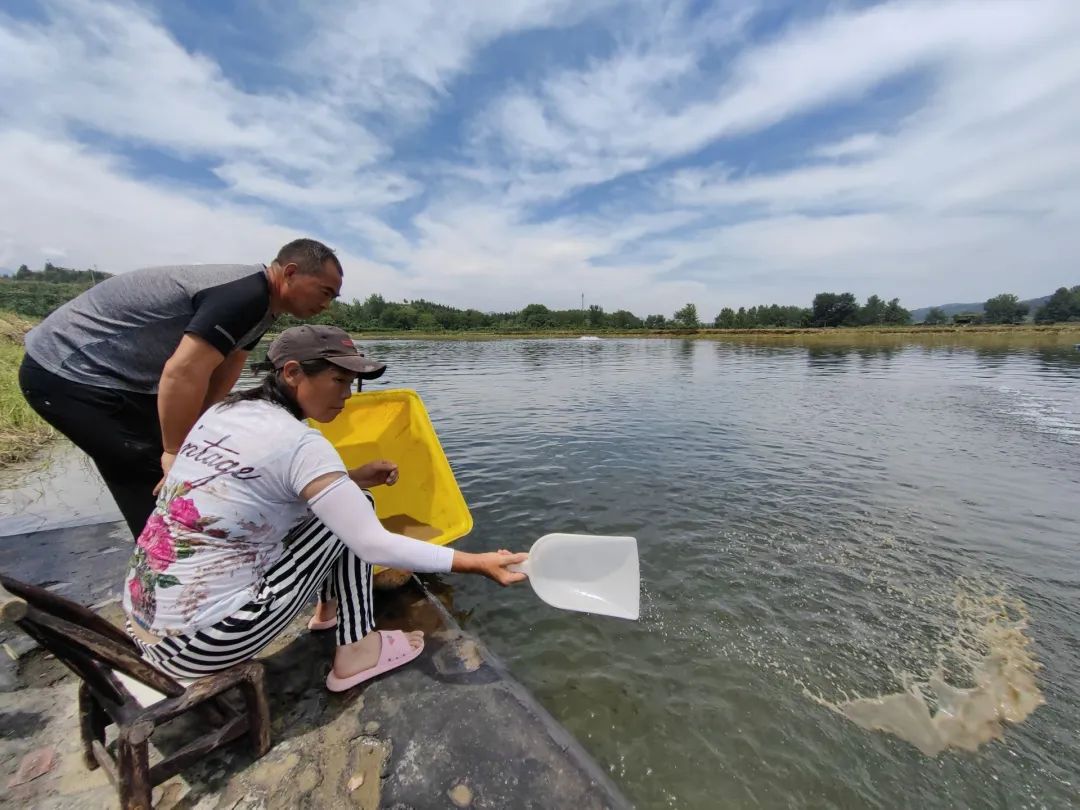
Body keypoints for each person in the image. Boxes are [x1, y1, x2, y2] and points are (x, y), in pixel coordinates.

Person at [122, 325, 527, 691]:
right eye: (338, 380)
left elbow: (268, 485)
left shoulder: (225, 413)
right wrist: (476, 562)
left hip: (145, 630)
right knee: (356, 517)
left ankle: (328, 614)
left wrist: (349, 476)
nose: (347, 397)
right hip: (207, 643)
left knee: (343, 506)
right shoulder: (300, 441)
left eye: (352, 384)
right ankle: (356, 650)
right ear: (293, 372)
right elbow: (372, 546)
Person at [19, 238, 344, 538]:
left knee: (169, 468)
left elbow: (225, 369)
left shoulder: (265, 307)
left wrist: (202, 432)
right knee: (153, 471)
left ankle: (169, 563)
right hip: (68, 371)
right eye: (325, 291)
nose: (327, 304)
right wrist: (176, 451)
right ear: (290, 273)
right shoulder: (246, 295)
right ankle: (168, 575)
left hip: (122, 381)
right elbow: (183, 372)